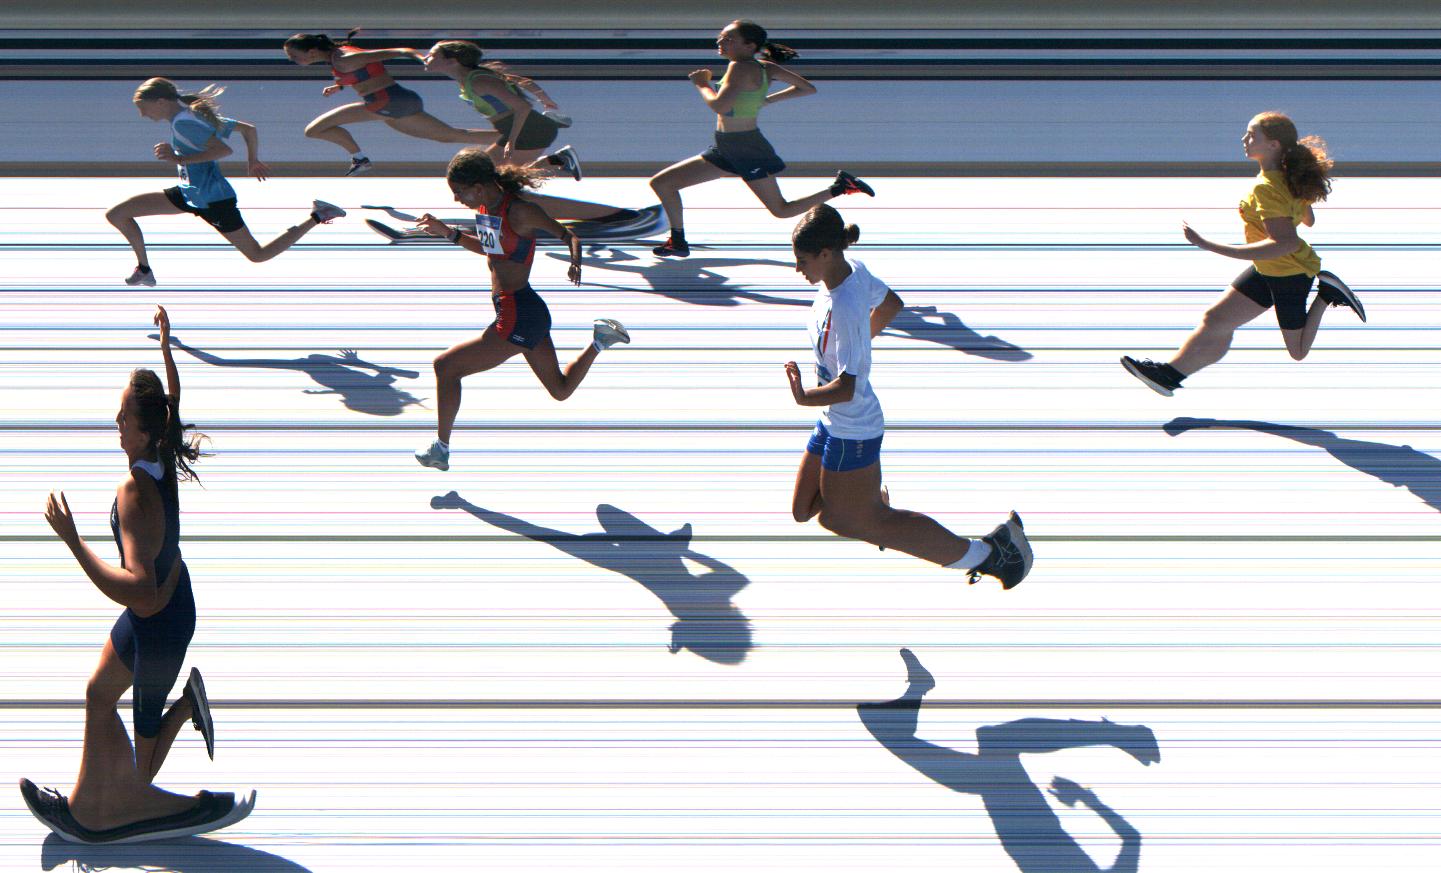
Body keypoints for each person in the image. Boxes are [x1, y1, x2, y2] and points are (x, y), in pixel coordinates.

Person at [21, 306, 244, 844]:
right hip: (167, 609)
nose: (116, 423)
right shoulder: (162, 447)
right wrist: (166, 347)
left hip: (161, 625)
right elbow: (173, 397)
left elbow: (140, 591)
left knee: (142, 772)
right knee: (98, 694)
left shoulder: (135, 493)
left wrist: (74, 542)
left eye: (124, 417)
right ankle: (83, 807)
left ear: (145, 432)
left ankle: (183, 710)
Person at [784, 204, 1032, 587]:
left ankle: (993, 553)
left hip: (853, 427)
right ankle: (871, 506)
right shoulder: (851, 271)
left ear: (826, 254)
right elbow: (891, 304)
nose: (797, 268)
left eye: (802, 260)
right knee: (804, 510)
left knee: (843, 519)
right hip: (833, 420)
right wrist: (861, 345)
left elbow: (847, 388)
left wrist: (804, 395)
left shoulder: (844, 306)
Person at [414, 149, 632, 472]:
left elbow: (568, 235)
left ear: (478, 186)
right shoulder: (488, 208)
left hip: (517, 315)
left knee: (446, 367)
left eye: (459, 192)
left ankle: (440, 449)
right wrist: (449, 232)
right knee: (560, 390)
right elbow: (490, 249)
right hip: (528, 311)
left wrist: (575, 261)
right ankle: (601, 339)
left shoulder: (520, 213)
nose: (457, 199)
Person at [1121, 112, 1365, 396]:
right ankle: (1169, 375)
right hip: (1268, 269)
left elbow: (1285, 243)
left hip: (1289, 274)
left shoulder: (1267, 187)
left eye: (1252, 135)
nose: (1244, 139)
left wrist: (1209, 245)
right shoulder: (1286, 179)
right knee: (1217, 320)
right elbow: (1308, 220)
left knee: (1297, 351)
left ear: (1273, 145)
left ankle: (1327, 295)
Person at [858, 648, 1157, 873]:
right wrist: (1087, 799)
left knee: (983, 763)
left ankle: (914, 694)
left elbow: (1132, 839)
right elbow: (1132, 839)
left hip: (1024, 836)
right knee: (992, 748)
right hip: (1034, 832)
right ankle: (1119, 734)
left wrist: (1087, 799)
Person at [649, 20, 875, 257]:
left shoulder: (739, 68)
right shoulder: (765, 67)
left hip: (744, 148)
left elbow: (720, 106)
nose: (720, 41)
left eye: (729, 39)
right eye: (721, 37)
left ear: (749, 45)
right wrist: (765, 100)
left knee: (781, 210)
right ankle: (677, 241)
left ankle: (841, 187)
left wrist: (702, 84)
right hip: (726, 146)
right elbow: (807, 88)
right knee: (663, 183)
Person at [108, 78, 344, 287]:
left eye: (143, 108)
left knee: (257, 255)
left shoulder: (184, 123)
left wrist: (178, 158)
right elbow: (249, 130)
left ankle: (318, 215)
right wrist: (253, 160)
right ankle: (144, 270)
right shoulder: (194, 114)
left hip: (213, 200)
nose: (142, 114)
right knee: (117, 214)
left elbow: (222, 150)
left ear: (160, 102)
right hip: (190, 194)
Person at [284, 29, 495, 174]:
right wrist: (339, 86)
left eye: (294, 56)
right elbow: (363, 74)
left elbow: (401, 51)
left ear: (311, 52)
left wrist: (422, 59)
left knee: (314, 129)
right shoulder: (339, 56)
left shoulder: (344, 58)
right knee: (450, 136)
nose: (292, 60)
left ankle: (359, 159)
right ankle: (509, 138)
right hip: (396, 102)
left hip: (386, 103)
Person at [423, 40, 583, 181]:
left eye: (431, 55)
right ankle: (559, 159)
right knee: (493, 176)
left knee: (490, 176)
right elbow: (524, 81)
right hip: (519, 128)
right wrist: (545, 99)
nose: (425, 58)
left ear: (452, 61)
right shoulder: (472, 77)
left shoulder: (480, 81)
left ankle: (558, 154)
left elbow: (523, 106)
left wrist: (511, 141)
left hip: (530, 131)